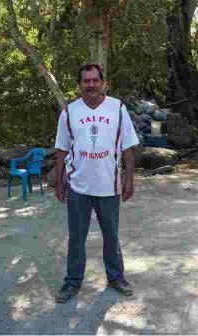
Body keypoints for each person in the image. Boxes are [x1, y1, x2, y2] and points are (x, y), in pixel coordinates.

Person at [54, 63, 139, 303]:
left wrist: (129, 179)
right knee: (76, 237)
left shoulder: (118, 108)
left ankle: (116, 277)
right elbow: (61, 149)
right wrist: (59, 183)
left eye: (95, 80)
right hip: (78, 186)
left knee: (111, 235)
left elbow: (128, 146)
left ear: (102, 83)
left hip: (109, 186)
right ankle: (72, 282)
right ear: (80, 85)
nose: (91, 85)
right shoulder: (69, 112)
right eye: (86, 81)